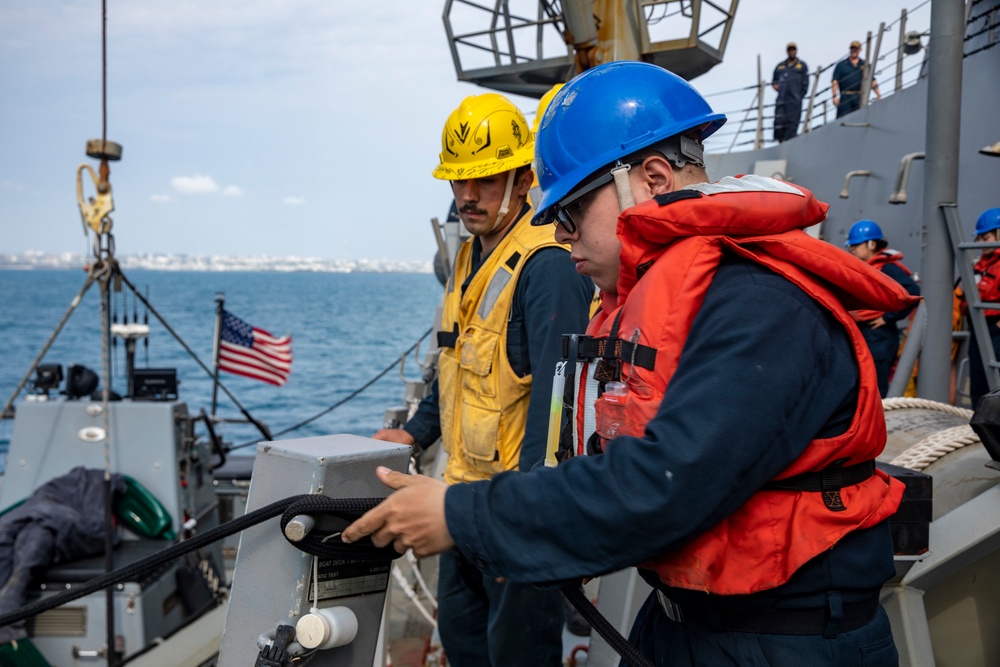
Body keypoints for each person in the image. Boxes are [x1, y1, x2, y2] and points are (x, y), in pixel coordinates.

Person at [345, 62, 918, 667]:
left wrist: (462, 515)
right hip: (689, 623)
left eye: (570, 213)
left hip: (784, 641)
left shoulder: (760, 303)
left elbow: (666, 481)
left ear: (649, 179)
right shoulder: (700, 296)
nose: (562, 237)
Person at [370, 92, 594, 666]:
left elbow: (557, 409)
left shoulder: (547, 267)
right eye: (459, 181)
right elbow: (454, 360)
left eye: (487, 180)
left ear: (522, 179)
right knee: (467, 647)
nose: (468, 196)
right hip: (461, 498)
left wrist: (527, 514)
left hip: (515, 513)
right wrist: (417, 433)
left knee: (517, 654)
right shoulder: (470, 256)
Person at [844, 220, 921, 397]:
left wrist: (887, 318)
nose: (852, 250)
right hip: (863, 333)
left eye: (856, 245)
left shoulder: (888, 268)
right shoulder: (863, 268)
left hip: (879, 336)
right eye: (851, 246)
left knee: (876, 388)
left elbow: (912, 293)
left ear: (871, 244)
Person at [968, 208, 1000, 407]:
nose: (980, 243)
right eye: (978, 238)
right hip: (979, 327)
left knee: (995, 384)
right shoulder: (982, 264)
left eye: (985, 237)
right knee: (979, 385)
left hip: (995, 330)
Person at [831, 40, 881, 118]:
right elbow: (835, 82)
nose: (854, 51)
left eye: (856, 49)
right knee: (842, 119)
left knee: (860, 117)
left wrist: (878, 94)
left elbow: (872, 81)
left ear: (860, 50)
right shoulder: (841, 65)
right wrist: (834, 96)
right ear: (850, 49)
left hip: (859, 96)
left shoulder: (864, 64)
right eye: (852, 48)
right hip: (845, 96)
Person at [772, 41, 809, 142]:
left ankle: (789, 142)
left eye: (793, 49)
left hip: (795, 99)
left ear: (796, 51)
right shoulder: (780, 66)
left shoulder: (802, 66)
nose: (791, 51)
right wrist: (776, 86)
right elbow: (774, 81)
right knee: (779, 121)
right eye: (790, 50)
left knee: (792, 122)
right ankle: (779, 141)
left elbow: (806, 83)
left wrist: (800, 95)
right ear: (787, 51)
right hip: (782, 98)